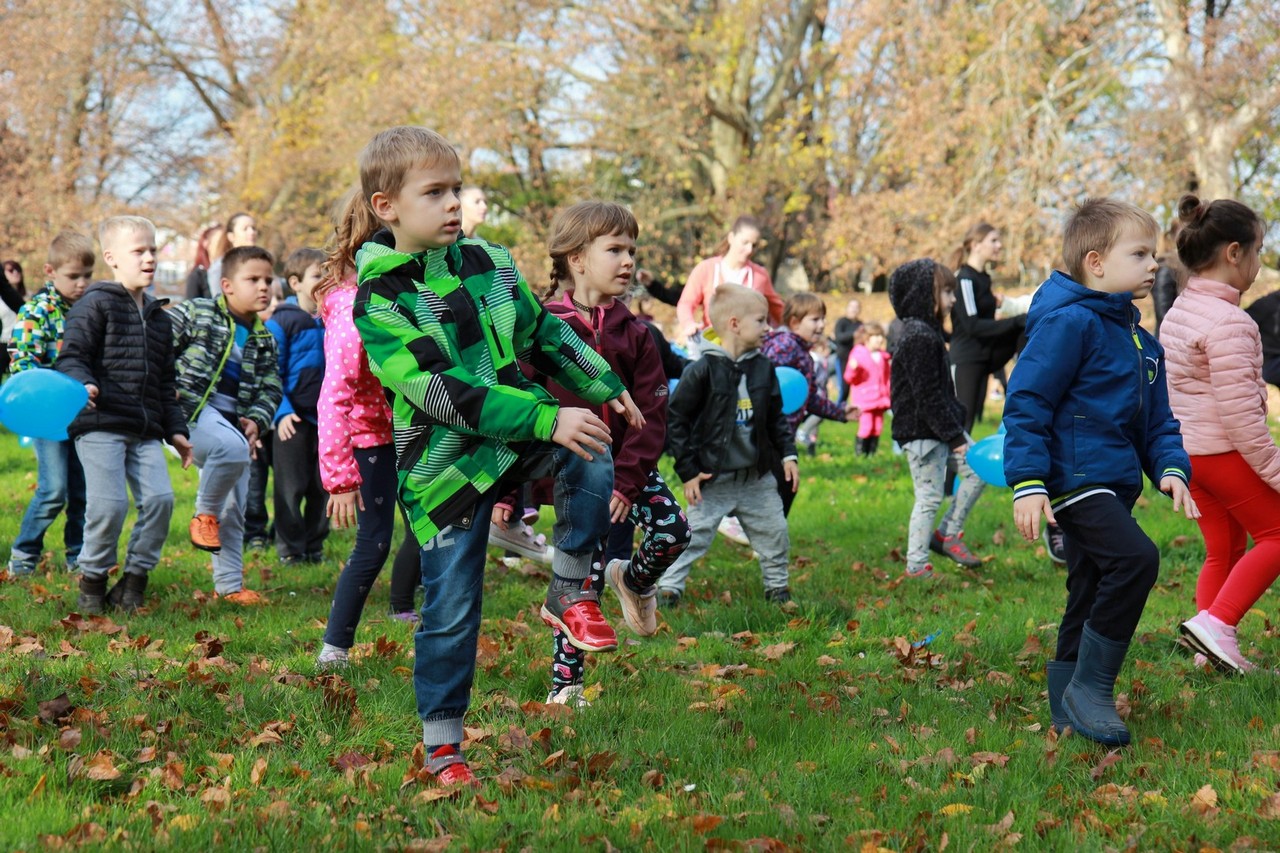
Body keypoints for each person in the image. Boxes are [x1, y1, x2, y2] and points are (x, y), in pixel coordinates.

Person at [348, 126, 642, 786]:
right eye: (434, 192)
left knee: (585, 440)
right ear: (386, 206)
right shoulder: (382, 299)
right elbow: (445, 395)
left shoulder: (490, 263)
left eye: (456, 189)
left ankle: (569, 589)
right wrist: (545, 414)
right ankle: (444, 748)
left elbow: (542, 331)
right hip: (444, 470)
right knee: (452, 613)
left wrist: (604, 384)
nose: (453, 203)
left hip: (509, 444)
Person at [1004, 197, 1197, 746]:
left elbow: (1158, 422)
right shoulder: (1069, 324)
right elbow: (1028, 401)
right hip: (1073, 478)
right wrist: (1028, 481)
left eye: (1154, 254)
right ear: (1095, 262)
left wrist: (1170, 468)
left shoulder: (1141, 342)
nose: (1153, 264)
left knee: (1088, 585)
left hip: (1114, 482)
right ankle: (1092, 687)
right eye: (1139, 254)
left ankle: (1067, 706)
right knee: (1137, 559)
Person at [509, 200, 690, 706]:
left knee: (675, 532)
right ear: (576, 257)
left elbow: (653, 415)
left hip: (627, 469)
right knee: (578, 578)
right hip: (573, 471)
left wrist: (630, 483)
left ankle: (632, 582)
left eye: (632, 249)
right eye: (615, 249)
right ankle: (566, 687)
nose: (628, 260)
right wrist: (511, 493)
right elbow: (519, 407)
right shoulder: (540, 328)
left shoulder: (637, 333)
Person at [1159, 195, 1273, 673]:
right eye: (1258, 250)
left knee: (1224, 547)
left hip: (1188, 455)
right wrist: (1274, 469)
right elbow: (1241, 416)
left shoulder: (1182, 308)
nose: (1260, 262)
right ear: (1232, 253)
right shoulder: (1230, 322)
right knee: (1277, 533)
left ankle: (1207, 649)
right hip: (1222, 452)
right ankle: (1219, 625)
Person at [56, 216, 192, 613]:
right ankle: (93, 584)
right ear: (112, 258)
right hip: (100, 423)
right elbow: (72, 357)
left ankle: (133, 582)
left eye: (153, 249)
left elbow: (166, 384)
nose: (149, 258)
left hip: (145, 429)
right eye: (139, 251)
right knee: (109, 505)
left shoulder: (161, 318)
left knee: (162, 500)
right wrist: (83, 382)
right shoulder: (94, 303)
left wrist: (177, 430)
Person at [312, 237, 423, 672]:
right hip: (368, 443)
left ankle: (424, 627)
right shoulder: (353, 312)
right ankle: (334, 647)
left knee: (429, 530)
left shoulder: (404, 302)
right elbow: (333, 396)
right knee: (374, 542)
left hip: (406, 434)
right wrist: (339, 478)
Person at [659, 283, 798, 606]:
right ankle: (669, 587)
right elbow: (675, 420)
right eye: (761, 321)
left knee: (774, 532)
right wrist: (689, 472)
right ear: (734, 324)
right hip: (712, 478)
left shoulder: (763, 367)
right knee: (692, 535)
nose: (768, 328)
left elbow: (776, 416)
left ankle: (777, 588)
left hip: (756, 477)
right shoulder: (703, 369)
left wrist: (789, 454)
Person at [171, 245, 282, 604]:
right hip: (187, 414)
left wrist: (259, 420)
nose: (264, 286)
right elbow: (156, 345)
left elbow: (271, 386)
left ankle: (230, 587)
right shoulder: (199, 313)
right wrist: (163, 393)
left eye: (268, 279)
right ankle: (203, 514)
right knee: (230, 449)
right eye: (253, 279)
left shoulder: (265, 339)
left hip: (232, 426)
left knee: (237, 508)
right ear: (227, 285)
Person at [888, 259, 986, 578]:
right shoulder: (918, 336)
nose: (952, 299)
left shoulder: (929, 333)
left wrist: (954, 427)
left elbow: (939, 394)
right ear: (922, 294)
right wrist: (955, 436)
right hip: (923, 433)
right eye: (946, 292)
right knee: (929, 497)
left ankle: (947, 534)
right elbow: (927, 397)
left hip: (941, 427)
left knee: (977, 471)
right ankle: (916, 565)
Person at [948, 224, 1042, 554]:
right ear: (975, 243)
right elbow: (972, 325)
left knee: (1026, 322)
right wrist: (1015, 322)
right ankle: (949, 488)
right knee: (962, 423)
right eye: (994, 240)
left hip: (986, 356)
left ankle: (1028, 375)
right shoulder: (964, 278)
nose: (1000, 245)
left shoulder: (984, 280)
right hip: (967, 357)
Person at [7, 232, 95, 576]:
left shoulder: (92, 310)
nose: (82, 283)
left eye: (88, 275)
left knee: (82, 491)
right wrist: (58, 389)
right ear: (50, 271)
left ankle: (77, 556)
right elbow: (22, 364)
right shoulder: (36, 311)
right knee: (54, 489)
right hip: (48, 417)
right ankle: (24, 554)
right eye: (74, 276)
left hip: (85, 415)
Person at [760, 292, 854, 514]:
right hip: (770, 434)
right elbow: (765, 384)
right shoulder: (785, 346)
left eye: (823, 319)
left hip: (784, 435)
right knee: (782, 485)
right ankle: (752, 529)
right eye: (815, 319)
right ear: (794, 321)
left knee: (785, 486)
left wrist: (840, 412)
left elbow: (807, 397)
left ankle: (766, 539)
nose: (822, 325)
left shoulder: (802, 351)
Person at [266, 248, 329, 566]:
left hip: (328, 421)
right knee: (290, 487)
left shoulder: (333, 319)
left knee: (324, 485)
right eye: (317, 276)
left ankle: (314, 546)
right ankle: (290, 549)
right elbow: (269, 371)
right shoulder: (283, 322)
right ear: (295, 283)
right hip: (291, 418)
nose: (325, 281)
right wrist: (282, 410)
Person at [675, 215, 784, 344]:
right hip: (711, 343)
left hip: (748, 347)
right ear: (731, 238)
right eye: (745, 242)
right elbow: (686, 303)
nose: (749, 250)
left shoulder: (760, 275)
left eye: (754, 245)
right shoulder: (706, 269)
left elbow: (779, 310)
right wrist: (689, 324)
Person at [844, 322, 892, 456]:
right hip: (865, 399)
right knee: (866, 426)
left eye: (881, 336)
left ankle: (872, 454)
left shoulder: (883, 356)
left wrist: (888, 392)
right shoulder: (858, 354)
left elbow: (887, 377)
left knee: (877, 427)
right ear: (866, 337)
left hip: (881, 398)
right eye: (875, 336)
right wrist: (854, 368)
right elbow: (849, 378)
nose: (880, 339)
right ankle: (860, 454)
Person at [832, 298, 863, 406]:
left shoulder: (860, 324)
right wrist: (853, 334)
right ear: (847, 309)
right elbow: (839, 337)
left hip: (857, 359)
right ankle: (838, 409)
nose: (854, 310)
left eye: (856, 307)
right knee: (844, 387)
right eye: (852, 307)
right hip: (843, 358)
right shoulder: (842, 322)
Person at [184, 224, 224, 301]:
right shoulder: (197, 275)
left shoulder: (231, 272)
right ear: (206, 243)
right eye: (220, 242)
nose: (224, 246)